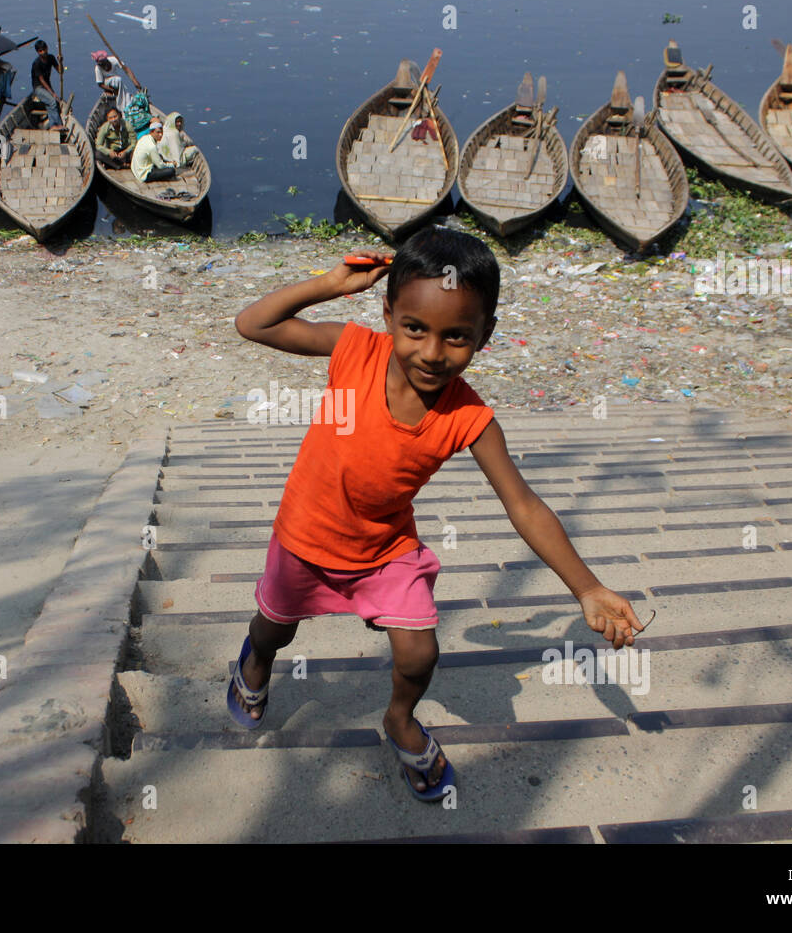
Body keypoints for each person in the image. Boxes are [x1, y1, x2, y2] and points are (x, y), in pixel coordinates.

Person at [229, 227, 643, 801]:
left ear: (484, 336)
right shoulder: (356, 350)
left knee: (421, 650)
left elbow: (523, 504)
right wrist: (329, 283)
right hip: (304, 536)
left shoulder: (470, 416)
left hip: (384, 552)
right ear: (389, 315)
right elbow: (254, 323)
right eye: (414, 328)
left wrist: (587, 588)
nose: (431, 351)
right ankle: (254, 664)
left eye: (456, 337)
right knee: (275, 626)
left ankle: (399, 719)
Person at [30, 40, 63, 131]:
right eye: (40, 51)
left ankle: (56, 125)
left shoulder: (51, 58)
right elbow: (42, 80)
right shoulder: (36, 63)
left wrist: (60, 62)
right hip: (39, 88)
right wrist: (52, 93)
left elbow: (61, 71)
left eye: (44, 49)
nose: (43, 52)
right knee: (52, 101)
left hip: (47, 86)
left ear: (47, 48)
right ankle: (54, 125)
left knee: (52, 103)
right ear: (38, 52)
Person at [130, 118, 176, 182]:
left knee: (160, 156)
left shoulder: (144, 138)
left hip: (135, 169)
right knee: (171, 171)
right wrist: (172, 165)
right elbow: (160, 166)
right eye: (158, 132)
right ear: (151, 132)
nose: (160, 135)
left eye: (162, 132)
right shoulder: (152, 146)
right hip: (143, 175)